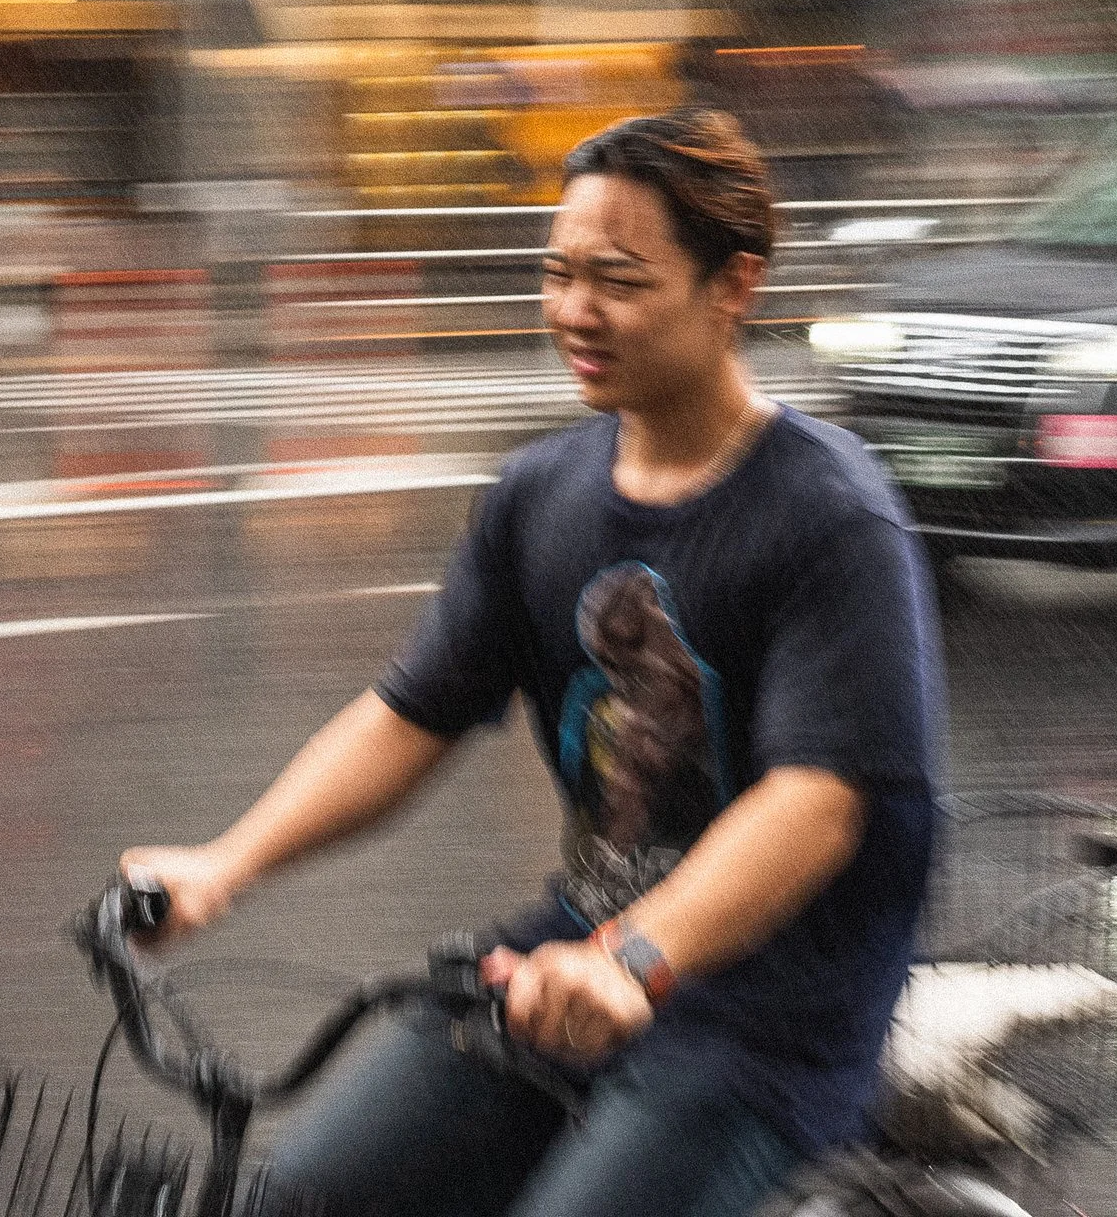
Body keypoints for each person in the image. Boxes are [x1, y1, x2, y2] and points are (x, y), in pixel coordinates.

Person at [118, 105, 945, 1217]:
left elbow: (813, 804)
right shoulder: (538, 497)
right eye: (555, 273)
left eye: (617, 278)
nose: (573, 310)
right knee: (299, 1198)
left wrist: (636, 959)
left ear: (734, 283)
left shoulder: (829, 517)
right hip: (560, 969)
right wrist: (227, 863)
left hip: (769, 1018)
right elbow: (410, 713)